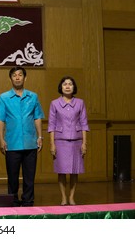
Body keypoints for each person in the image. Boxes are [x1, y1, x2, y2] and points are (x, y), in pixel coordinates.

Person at [0, 66, 44, 207]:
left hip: (30, 142)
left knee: (29, 176)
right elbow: (0, 119)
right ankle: (13, 201)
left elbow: (37, 117)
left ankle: (28, 201)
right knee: (12, 177)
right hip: (12, 142)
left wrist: (40, 137)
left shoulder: (33, 96)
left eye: (20, 75)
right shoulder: (3, 97)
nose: (17, 77)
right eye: (14, 75)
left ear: (25, 78)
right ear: (10, 78)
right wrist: (1, 139)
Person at [48, 76, 89, 206]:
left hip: (77, 141)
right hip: (60, 141)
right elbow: (51, 124)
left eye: (70, 84)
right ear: (61, 87)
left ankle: (71, 197)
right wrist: (52, 144)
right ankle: (63, 197)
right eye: (64, 84)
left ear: (74, 87)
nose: (67, 86)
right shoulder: (54, 103)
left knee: (74, 171)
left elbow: (84, 123)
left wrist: (84, 143)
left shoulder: (80, 103)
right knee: (61, 171)